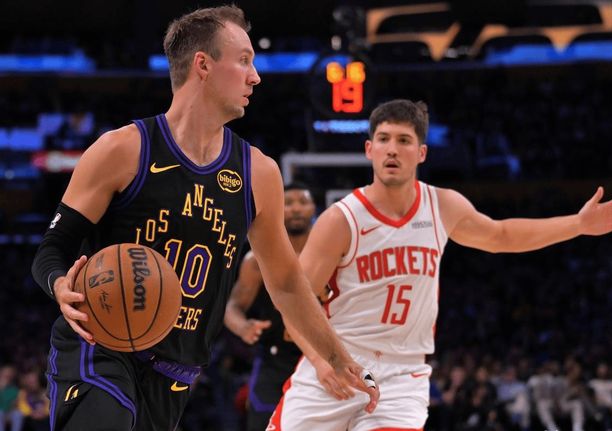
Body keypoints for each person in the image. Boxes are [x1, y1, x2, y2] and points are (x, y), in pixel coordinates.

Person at [30, 6, 377, 431]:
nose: (256, 77)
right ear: (203, 65)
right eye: (244, 60)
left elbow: (287, 283)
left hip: (175, 375)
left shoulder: (258, 173)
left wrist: (338, 357)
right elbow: (52, 249)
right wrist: (59, 284)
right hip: (98, 346)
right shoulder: (123, 150)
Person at [269, 99, 612, 430]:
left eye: (403, 140)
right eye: (383, 139)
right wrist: (322, 361)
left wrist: (578, 224)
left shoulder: (442, 206)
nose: (392, 149)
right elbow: (296, 302)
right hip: (337, 359)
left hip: (401, 373)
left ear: (422, 153)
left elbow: (502, 236)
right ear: (369, 149)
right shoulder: (341, 219)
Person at [224, 182, 316, 431]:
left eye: (303, 202)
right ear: (277, 208)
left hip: (323, 356)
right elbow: (232, 306)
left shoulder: (334, 252)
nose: (296, 208)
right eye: (289, 203)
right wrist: (243, 327)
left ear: (314, 208)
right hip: (275, 359)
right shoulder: (257, 259)